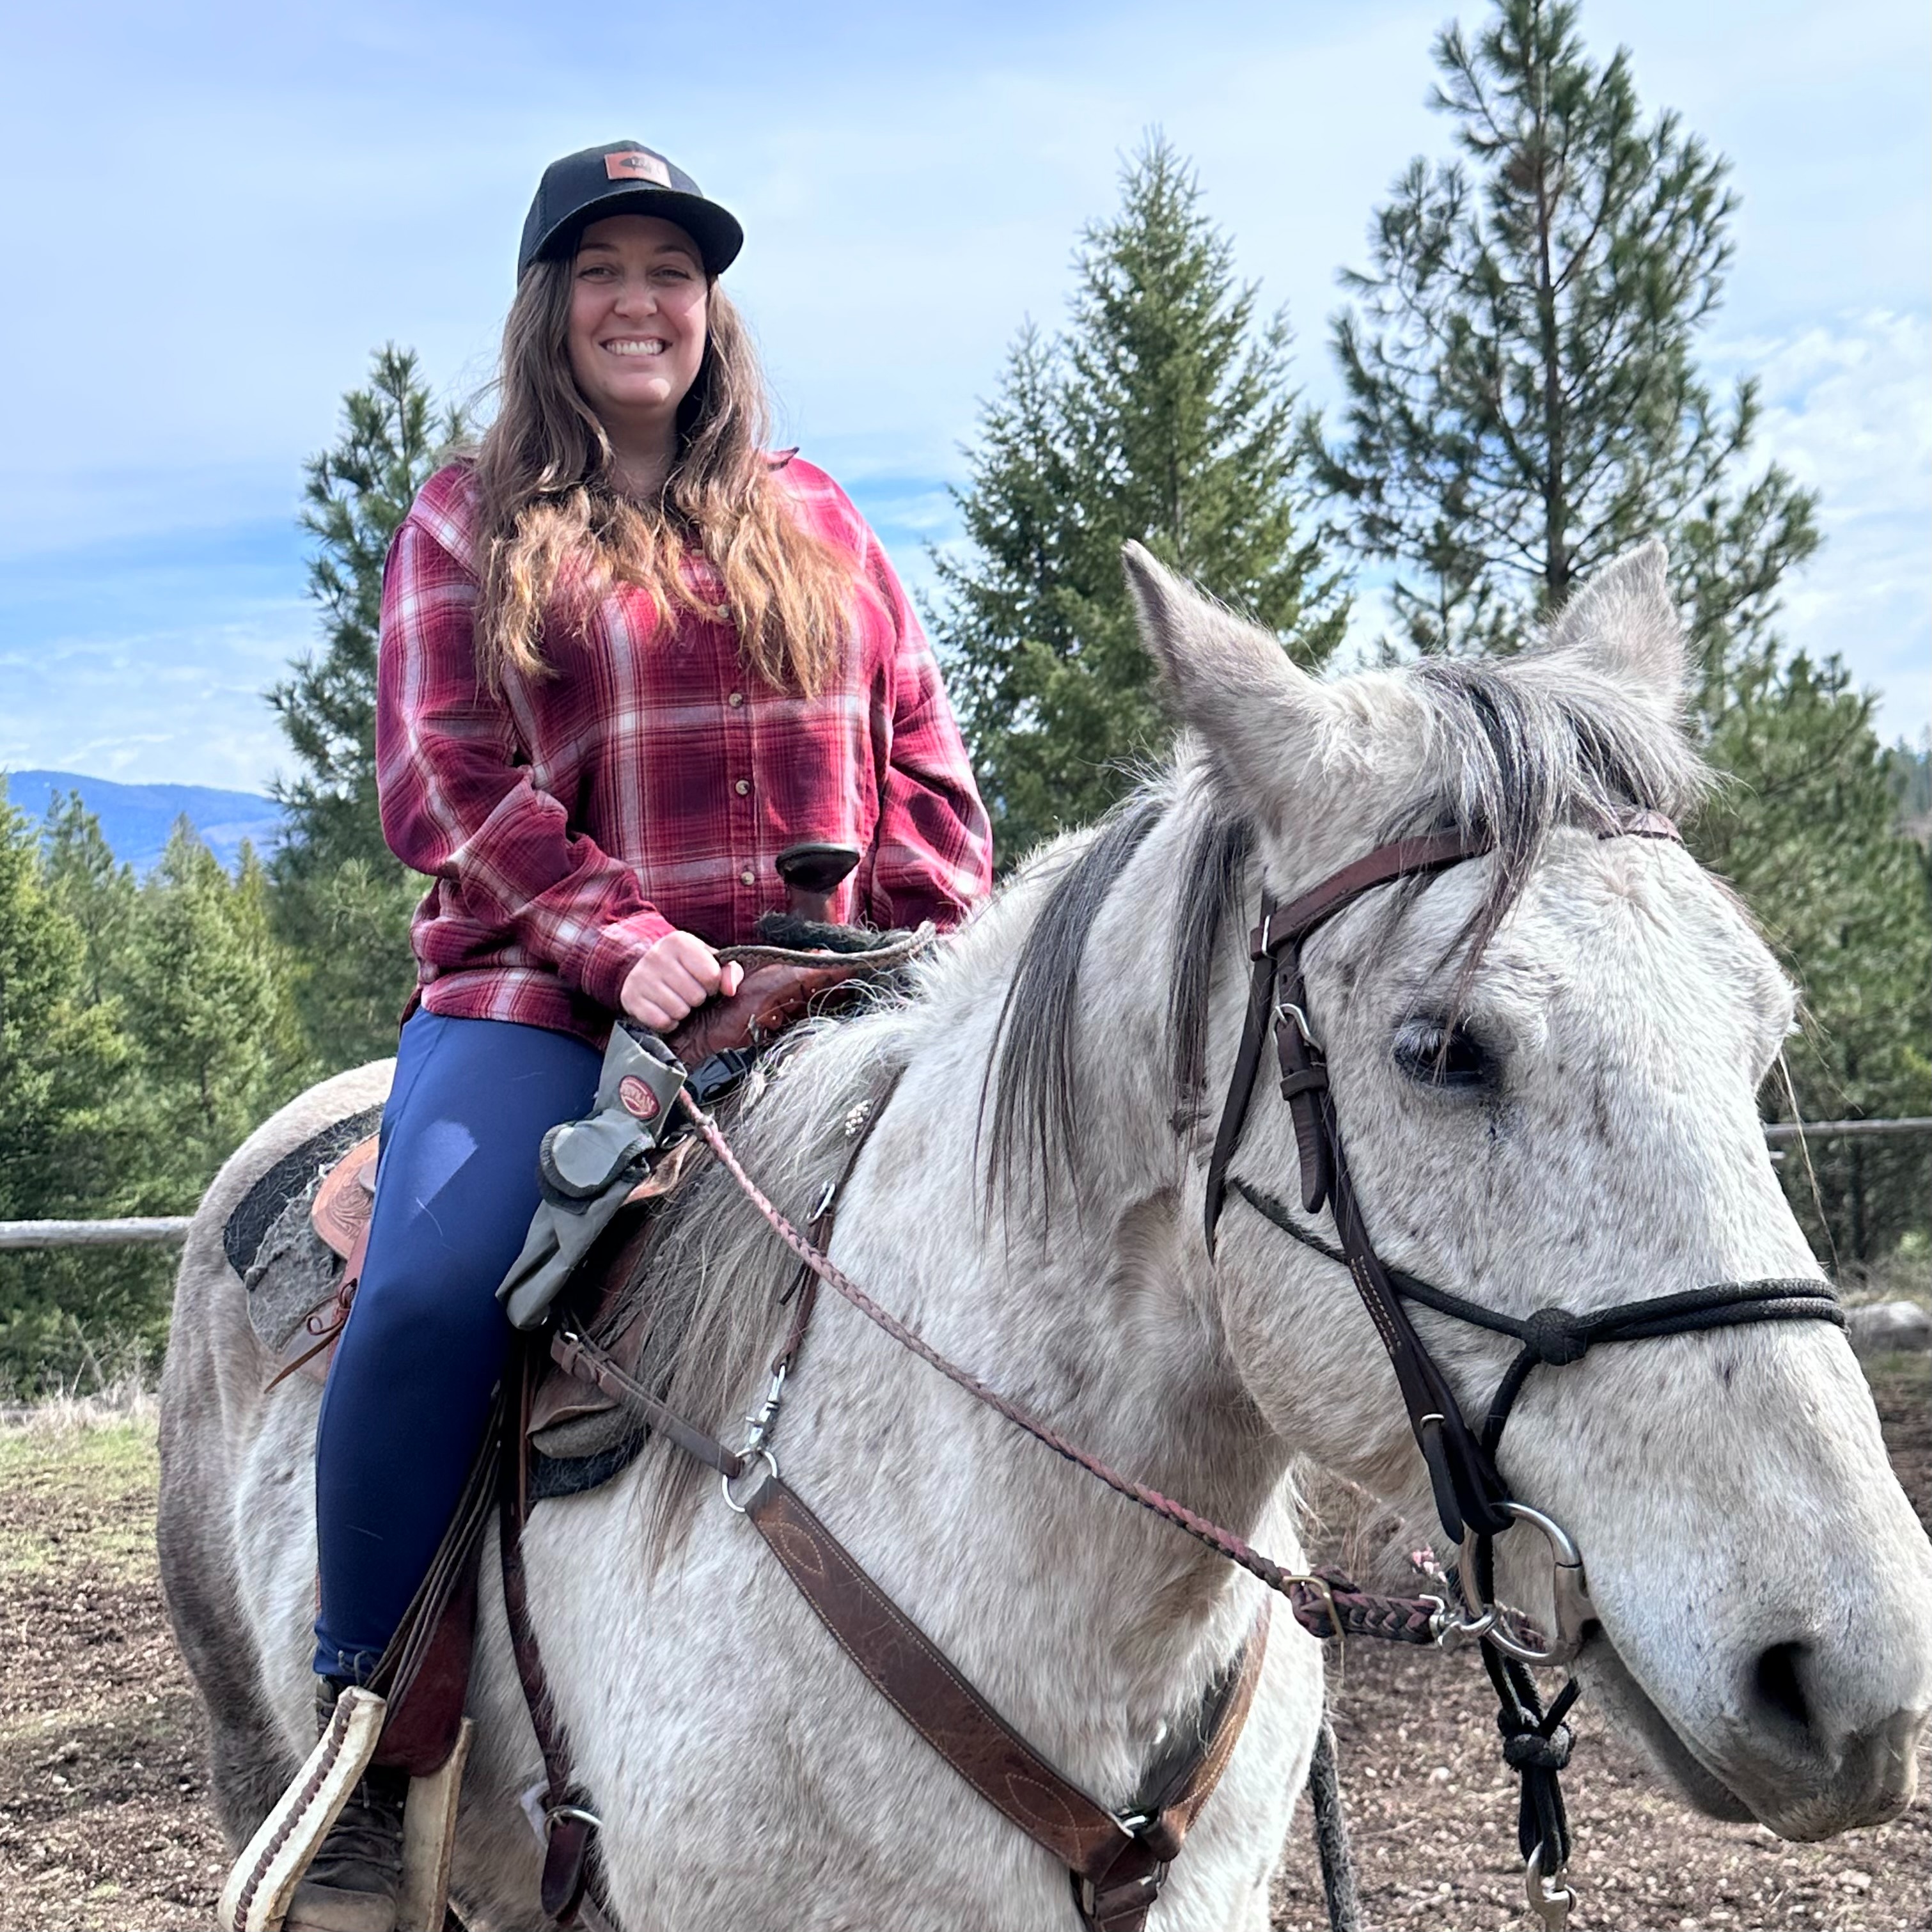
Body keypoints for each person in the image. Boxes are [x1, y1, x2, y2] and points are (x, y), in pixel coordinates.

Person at [291, 139, 991, 1932]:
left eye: (671, 272)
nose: (640, 303)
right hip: (542, 993)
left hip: (835, 990)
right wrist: (625, 938)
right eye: (602, 269)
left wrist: (918, 947)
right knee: (430, 1295)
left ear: (710, 309)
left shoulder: (823, 519)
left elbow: (926, 764)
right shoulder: (467, 519)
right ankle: (372, 1747)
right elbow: (446, 786)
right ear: (551, 308)